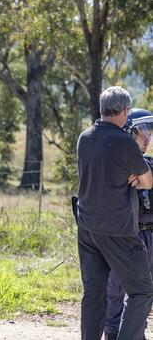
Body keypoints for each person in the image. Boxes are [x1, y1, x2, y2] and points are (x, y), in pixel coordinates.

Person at [75, 86, 153, 340]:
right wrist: (134, 175)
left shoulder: (84, 137)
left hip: (87, 227)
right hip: (117, 229)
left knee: (94, 294)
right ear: (125, 111)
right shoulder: (124, 142)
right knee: (141, 291)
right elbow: (148, 182)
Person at [103, 108, 153, 340]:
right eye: (143, 131)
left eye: (150, 131)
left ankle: (135, 333)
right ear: (129, 131)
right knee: (115, 288)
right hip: (123, 234)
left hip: (148, 235)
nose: (147, 137)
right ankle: (113, 332)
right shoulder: (117, 162)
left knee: (142, 293)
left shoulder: (149, 164)